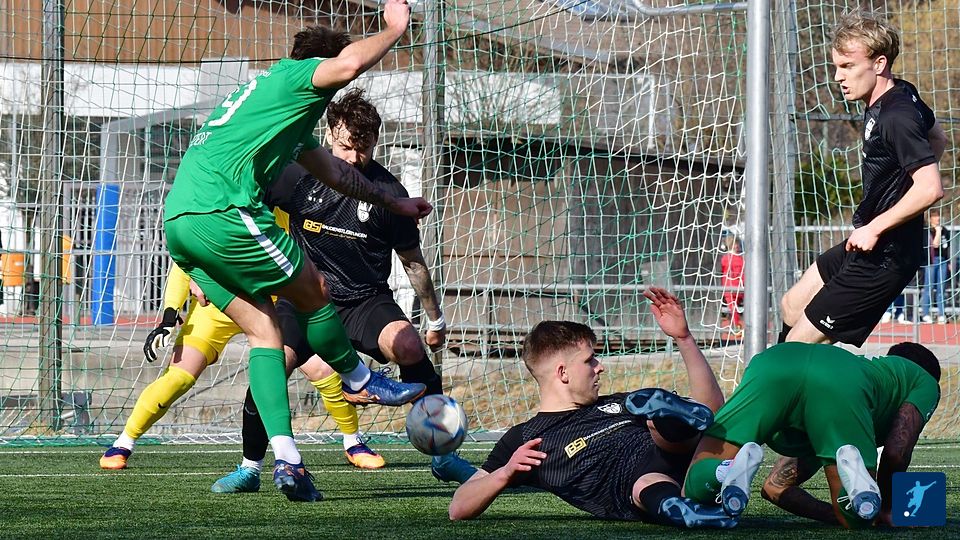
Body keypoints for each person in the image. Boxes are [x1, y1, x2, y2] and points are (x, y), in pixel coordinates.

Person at [161, 4, 431, 502]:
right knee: (313, 288)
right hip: (223, 209)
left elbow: (336, 174)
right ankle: (358, 377)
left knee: (266, 334)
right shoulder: (294, 80)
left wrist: (393, 203)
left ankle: (287, 461)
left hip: (181, 223)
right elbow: (350, 63)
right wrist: (395, 27)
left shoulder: (281, 113)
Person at [210, 89, 476, 493]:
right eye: (345, 146)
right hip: (304, 299)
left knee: (408, 345)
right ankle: (250, 467)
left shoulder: (389, 193)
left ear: (376, 143)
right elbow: (241, 203)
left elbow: (413, 263)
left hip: (365, 301)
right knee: (272, 364)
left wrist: (435, 320)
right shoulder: (295, 176)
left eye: (362, 149)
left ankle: (443, 457)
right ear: (329, 135)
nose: (352, 157)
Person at [449, 288, 739, 529]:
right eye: (590, 360)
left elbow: (714, 413)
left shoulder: (620, 402)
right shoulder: (525, 439)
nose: (600, 367)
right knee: (645, 485)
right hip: (646, 488)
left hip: (679, 452)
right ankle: (687, 508)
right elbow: (458, 507)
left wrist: (684, 338)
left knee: (653, 421)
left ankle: (674, 420)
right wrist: (505, 472)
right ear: (563, 373)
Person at [99, 263, 387, 475]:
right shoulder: (214, 206)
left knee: (323, 369)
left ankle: (353, 442)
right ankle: (124, 442)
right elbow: (183, 258)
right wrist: (170, 313)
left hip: (270, 307)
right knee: (179, 376)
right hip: (215, 307)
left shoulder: (281, 204)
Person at [779, 12, 946, 346]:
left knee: (798, 345)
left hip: (886, 255)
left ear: (879, 63)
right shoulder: (898, 93)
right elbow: (937, 137)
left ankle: (788, 374)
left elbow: (930, 188)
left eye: (848, 66)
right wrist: (902, 187)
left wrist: (875, 227)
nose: (838, 76)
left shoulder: (896, 116)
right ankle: (789, 372)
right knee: (791, 305)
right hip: (868, 244)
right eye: (836, 67)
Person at [681, 341, 941, 529]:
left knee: (692, 491)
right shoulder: (925, 381)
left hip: (777, 360)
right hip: (839, 384)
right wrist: (888, 508)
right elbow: (896, 450)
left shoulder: (870, 370)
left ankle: (723, 471)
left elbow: (774, 488)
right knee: (859, 518)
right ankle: (859, 500)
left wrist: (831, 515)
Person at [920, 209, 950, 323]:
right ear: (930, 218)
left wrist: (948, 262)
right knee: (929, 288)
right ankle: (925, 313)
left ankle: (941, 314)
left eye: (938, 216)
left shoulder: (945, 230)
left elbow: (947, 247)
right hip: (931, 261)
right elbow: (935, 245)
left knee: (941, 289)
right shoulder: (928, 231)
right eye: (935, 216)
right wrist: (937, 232)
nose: (937, 218)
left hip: (943, 261)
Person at [720, 235, 744, 330]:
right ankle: (736, 326)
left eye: (737, 244)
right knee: (733, 307)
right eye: (734, 244)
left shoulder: (741, 258)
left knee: (734, 307)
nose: (736, 246)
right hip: (730, 286)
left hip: (739, 286)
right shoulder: (726, 258)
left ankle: (735, 324)